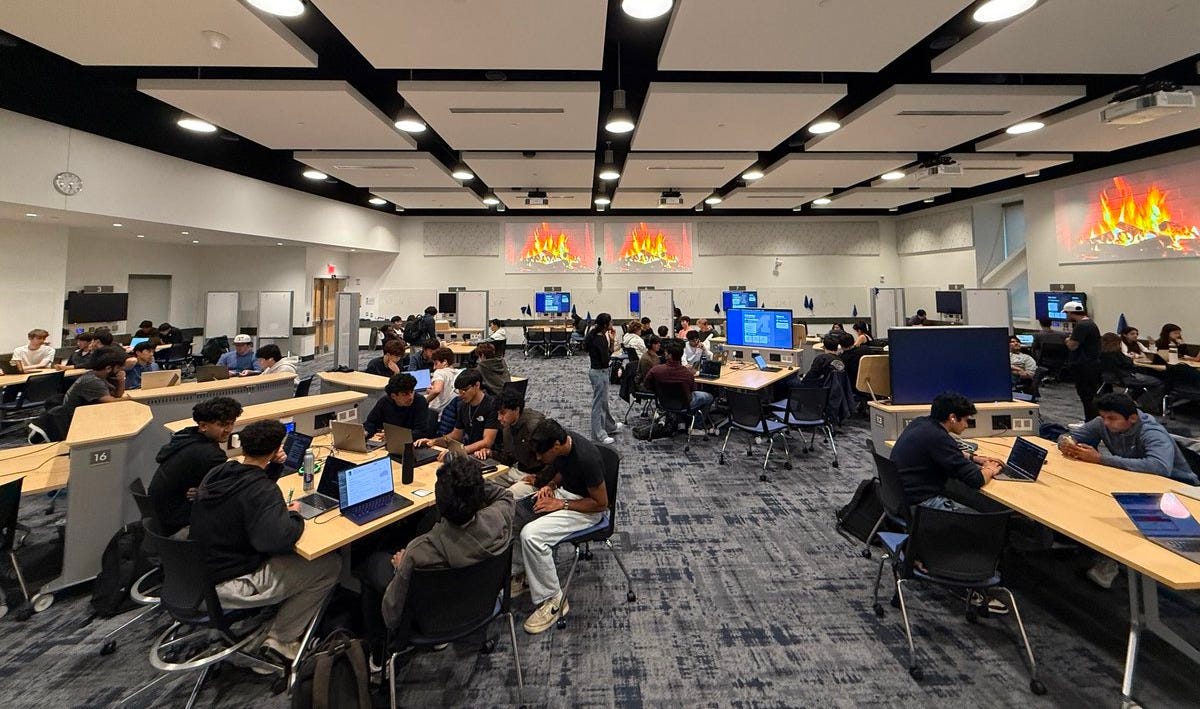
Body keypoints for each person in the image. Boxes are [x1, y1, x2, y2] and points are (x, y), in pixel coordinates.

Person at [190, 420, 341, 663]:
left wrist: (274, 468)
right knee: (329, 565)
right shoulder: (262, 491)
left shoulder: (219, 472)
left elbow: (252, 488)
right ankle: (281, 640)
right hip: (228, 584)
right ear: (276, 449)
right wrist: (294, 515)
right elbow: (277, 541)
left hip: (197, 572)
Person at [363, 456, 514, 660]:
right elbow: (505, 495)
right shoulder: (500, 517)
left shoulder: (417, 551)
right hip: (482, 607)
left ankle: (378, 655)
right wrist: (471, 483)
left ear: (439, 502)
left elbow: (391, 615)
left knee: (374, 564)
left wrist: (400, 568)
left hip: (430, 623)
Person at [1061, 392, 1200, 588]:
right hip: (1135, 480)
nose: (1106, 423)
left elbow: (1159, 467)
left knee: (1110, 511)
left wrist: (1101, 459)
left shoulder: (1151, 432)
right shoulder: (1103, 422)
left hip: (1174, 488)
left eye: (1112, 419)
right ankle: (1105, 554)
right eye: (1103, 417)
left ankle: (1112, 561)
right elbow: (1069, 436)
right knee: (1092, 501)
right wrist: (1068, 445)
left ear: (1132, 419)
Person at [512, 419, 609, 634]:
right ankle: (522, 573)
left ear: (556, 445)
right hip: (566, 495)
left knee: (531, 535)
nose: (539, 458)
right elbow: (563, 471)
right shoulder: (563, 446)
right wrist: (550, 485)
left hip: (587, 511)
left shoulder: (587, 458)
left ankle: (555, 600)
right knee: (513, 505)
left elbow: (601, 504)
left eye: (541, 454)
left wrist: (561, 504)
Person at [889, 391, 1006, 513]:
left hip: (900, 498)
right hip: (920, 505)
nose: (966, 425)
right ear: (953, 418)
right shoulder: (938, 438)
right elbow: (976, 480)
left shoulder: (920, 423)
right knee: (985, 519)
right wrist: (990, 469)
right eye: (965, 420)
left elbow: (944, 452)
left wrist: (974, 458)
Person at [148, 396, 243, 537]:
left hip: (158, 515)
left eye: (231, 423)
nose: (229, 429)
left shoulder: (186, 436)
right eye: (223, 424)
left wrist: (204, 491)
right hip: (176, 523)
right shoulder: (211, 454)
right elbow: (231, 491)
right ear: (203, 426)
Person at [414, 369, 499, 460]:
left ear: (477, 385)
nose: (461, 394)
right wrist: (433, 441)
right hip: (470, 453)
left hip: (488, 454)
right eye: (459, 391)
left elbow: (487, 442)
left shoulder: (492, 405)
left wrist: (459, 451)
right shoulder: (463, 405)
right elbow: (456, 435)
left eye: (464, 390)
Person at [643, 341, 715, 431]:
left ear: (669, 355)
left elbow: (647, 385)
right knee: (708, 397)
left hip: (664, 403)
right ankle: (696, 427)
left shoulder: (655, 370)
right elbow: (693, 390)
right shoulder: (687, 373)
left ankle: (681, 421)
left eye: (665, 352)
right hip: (684, 404)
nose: (664, 354)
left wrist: (659, 389)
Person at [493, 389, 548, 500]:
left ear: (517, 410)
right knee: (484, 481)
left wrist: (539, 479)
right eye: (498, 413)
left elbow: (554, 458)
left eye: (503, 413)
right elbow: (509, 458)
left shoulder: (535, 426)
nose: (499, 418)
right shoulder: (507, 426)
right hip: (518, 470)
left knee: (507, 496)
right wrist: (490, 453)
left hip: (538, 476)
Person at [583, 313, 621, 444]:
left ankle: (609, 426)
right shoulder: (599, 339)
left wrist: (611, 340)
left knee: (604, 402)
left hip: (598, 372)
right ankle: (598, 434)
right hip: (599, 373)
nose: (612, 324)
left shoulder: (598, 336)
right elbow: (606, 359)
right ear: (605, 325)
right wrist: (612, 344)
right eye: (611, 322)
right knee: (598, 405)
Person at [362, 372, 434, 439]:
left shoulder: (419, 401)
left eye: (412, 391)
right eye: (405, 394)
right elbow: (371, 422)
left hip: (412, 442)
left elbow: (421, 432)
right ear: (393, 396)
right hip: (391, 441)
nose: (411, 397)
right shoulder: (384, 402)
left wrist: (396, 435)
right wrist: (366, 432)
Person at [1064, 301, 1102, 420]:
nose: (1066, 316)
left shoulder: (1081, 326)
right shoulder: (1091, 324)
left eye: (1066, 313)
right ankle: (1092, 420)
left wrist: (1067, 340)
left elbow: (1072, 346)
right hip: (1092, 364)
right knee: (1090, 394)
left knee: (1086, 396)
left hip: (1083, 366)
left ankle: (1090, 421)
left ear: (1070, 313)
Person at [1099, 332, 1162, 402]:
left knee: (1141, 383)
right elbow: (1128, 363)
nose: (1135, 336)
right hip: (1123, 378)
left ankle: (1132, 399)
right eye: (1132, 334)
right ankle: (1143, 402)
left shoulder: (1100, 353)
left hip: (1109, 378)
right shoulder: (1115, 352)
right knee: (1157, 382)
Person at [425, 346, 460, 434]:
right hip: (453, 416)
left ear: (444, 362)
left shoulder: (439, 372)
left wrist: (424, 402)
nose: (434, 367)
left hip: (437, 414)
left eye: (436, 363)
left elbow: (437, 390)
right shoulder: (459, 373)